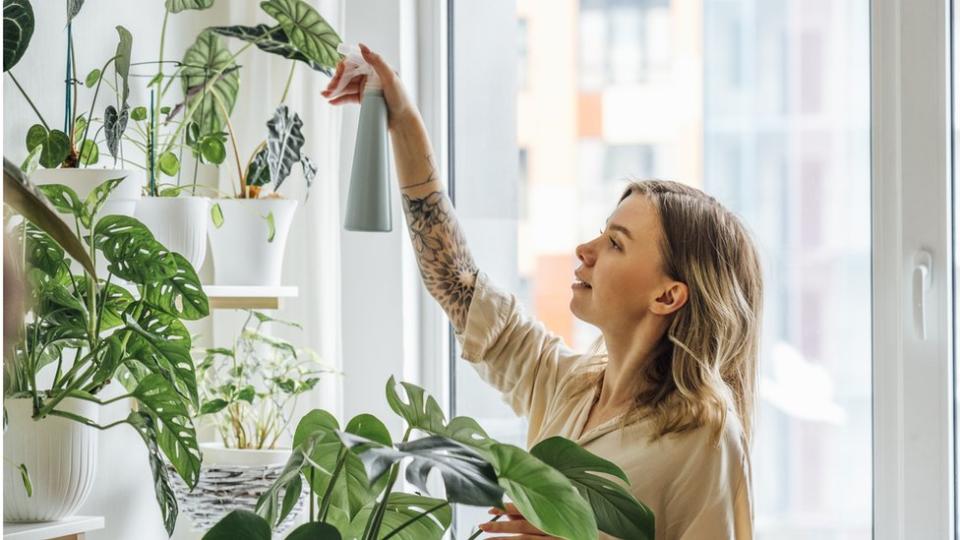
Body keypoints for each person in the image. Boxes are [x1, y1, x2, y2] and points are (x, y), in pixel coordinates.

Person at [323, 43, 762, 540]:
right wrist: (400, 117)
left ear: (667, 296)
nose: (585, 249)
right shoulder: (566, 386)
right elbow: (457, 282)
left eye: (615, 244)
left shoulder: (706, 436)